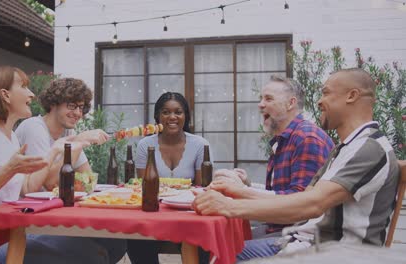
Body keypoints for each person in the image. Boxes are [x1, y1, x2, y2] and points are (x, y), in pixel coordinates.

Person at [193, 68, 400, 261]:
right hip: (305, 241)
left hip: (334, 253)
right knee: (214, 247)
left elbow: (312, 205)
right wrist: (240, 191)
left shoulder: (368, 148)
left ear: (352, 96)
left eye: (326, 93)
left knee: (216, 252)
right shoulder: (346, 147)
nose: (319, 101)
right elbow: (303, 197)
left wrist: (230, 205)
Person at [0, 66, 103, 264]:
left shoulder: (10, 137)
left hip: (8, 235)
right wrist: (10, 169)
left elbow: (28, 187)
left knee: (91, 251)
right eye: (24, 87)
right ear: (5, 95)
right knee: (82, 258)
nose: (32, 94)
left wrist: (56, 150)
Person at [14, 77, 126, 263]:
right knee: (94, 255)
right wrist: (78, 142)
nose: (78, 113)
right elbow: (50, 183)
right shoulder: (35, 128)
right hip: (29, 222)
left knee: (117, 242)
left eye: (81, 108)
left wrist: (77, 144)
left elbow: (88, 177)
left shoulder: (68, 133)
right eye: (72, 106)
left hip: (54, 214)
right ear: (54, 103)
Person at [214, 76, 334, 237]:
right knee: (219, 239)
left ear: (290, 103)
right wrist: (248, 185)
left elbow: (299, 202)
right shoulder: (285, 138)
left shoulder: (307, 138)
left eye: (268, 99)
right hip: (277, 228)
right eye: (261, 99)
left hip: (298, 236)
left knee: (221, 251)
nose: (260, 104)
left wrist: (241, 190)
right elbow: (281, 193)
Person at [127, 92, 212, 264]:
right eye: (165, 112)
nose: (172, 117)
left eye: (178, 112)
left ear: (185, 116)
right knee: (136, 241)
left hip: (186, 214)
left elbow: (202, 187)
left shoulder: (200, 145)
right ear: (157, 116)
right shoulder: (145, 145)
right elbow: (144, 187)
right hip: (155, 214)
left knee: (202, 242)